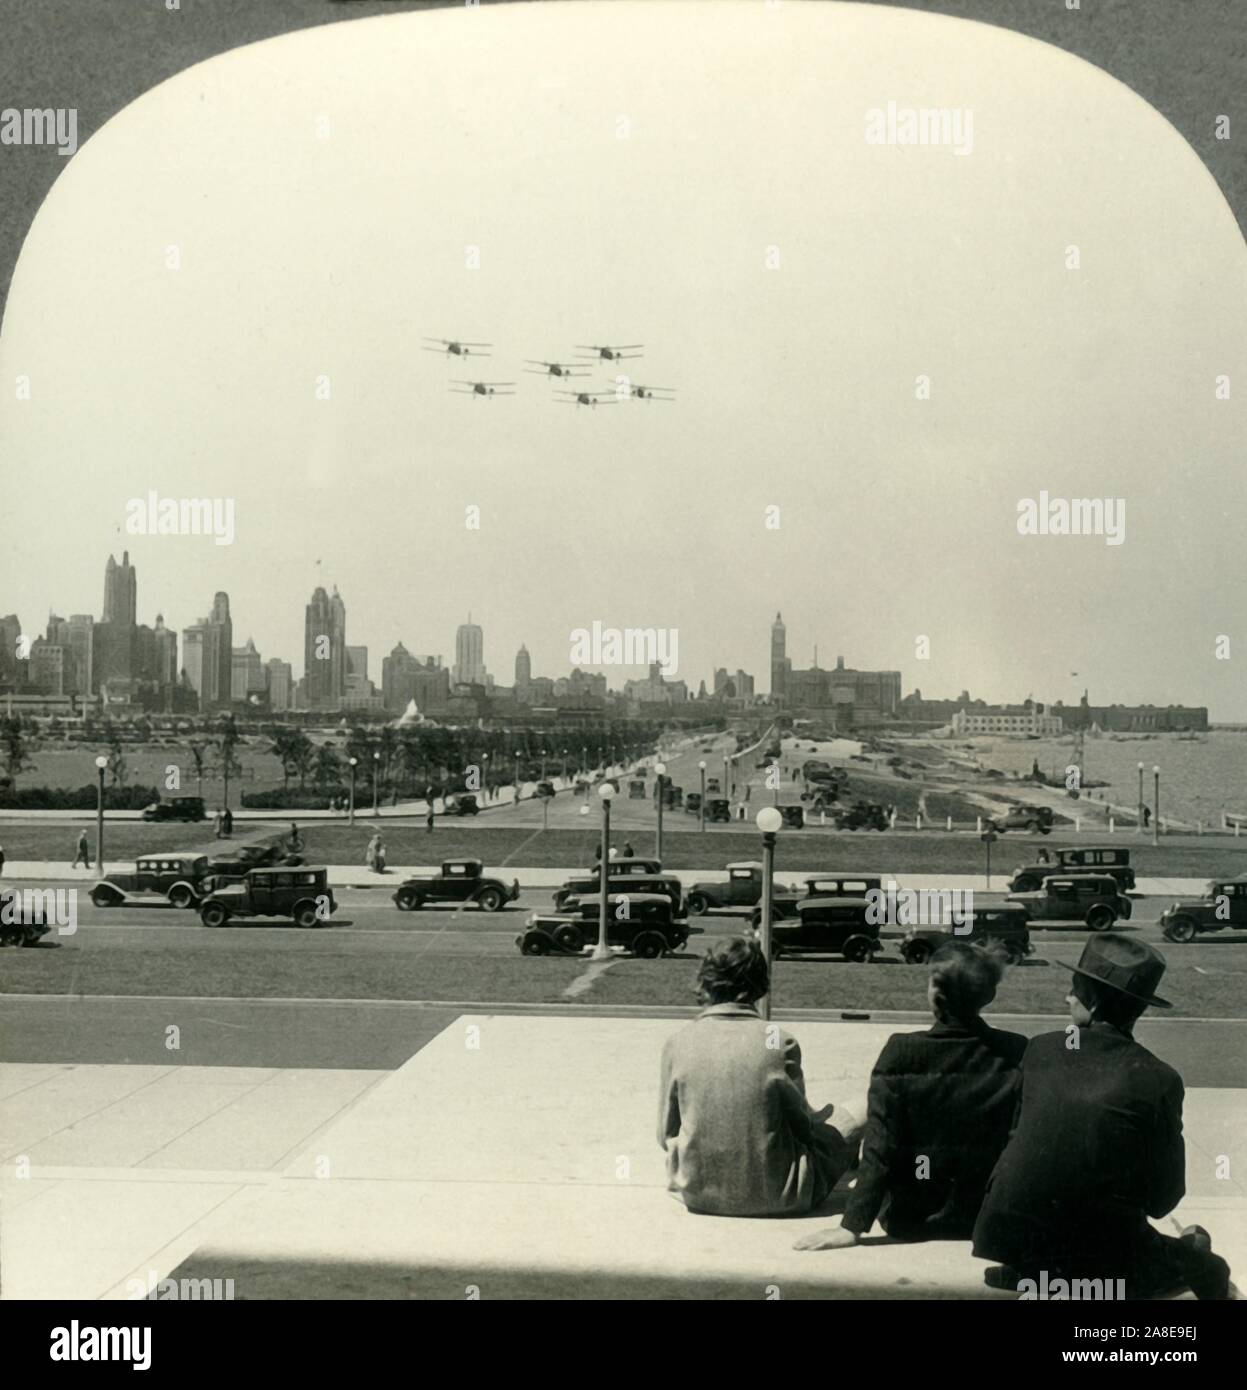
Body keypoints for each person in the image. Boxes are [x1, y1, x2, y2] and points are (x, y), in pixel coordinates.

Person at [973, 935, 1231, 1299]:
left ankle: (1044, 1276)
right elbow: (1164, 1198)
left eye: (1073, 990)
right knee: (1212, 1265)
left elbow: (1017, 1141)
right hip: (1101, 1255)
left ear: (1091, 1003)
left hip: (1011, 1241)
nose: (1067, 997)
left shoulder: (1041, 1049)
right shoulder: (1157, 1077)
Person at [794, 942, 1025, 1251]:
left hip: (912, 1218)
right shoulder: (1015, 1050)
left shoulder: (902, 1051)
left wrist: (853, 1225)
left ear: (935, 995)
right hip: (982, 1216)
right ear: (989, 994)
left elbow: (880, 1145)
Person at [658, 936, 865, 1217]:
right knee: (863, 1106)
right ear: (758, 985)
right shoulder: (777, 1040)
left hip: (698, 1194)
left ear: (706, 982)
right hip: (782, 1195)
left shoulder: (678, 1042)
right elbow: (804, 1129)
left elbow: (665, 1134)